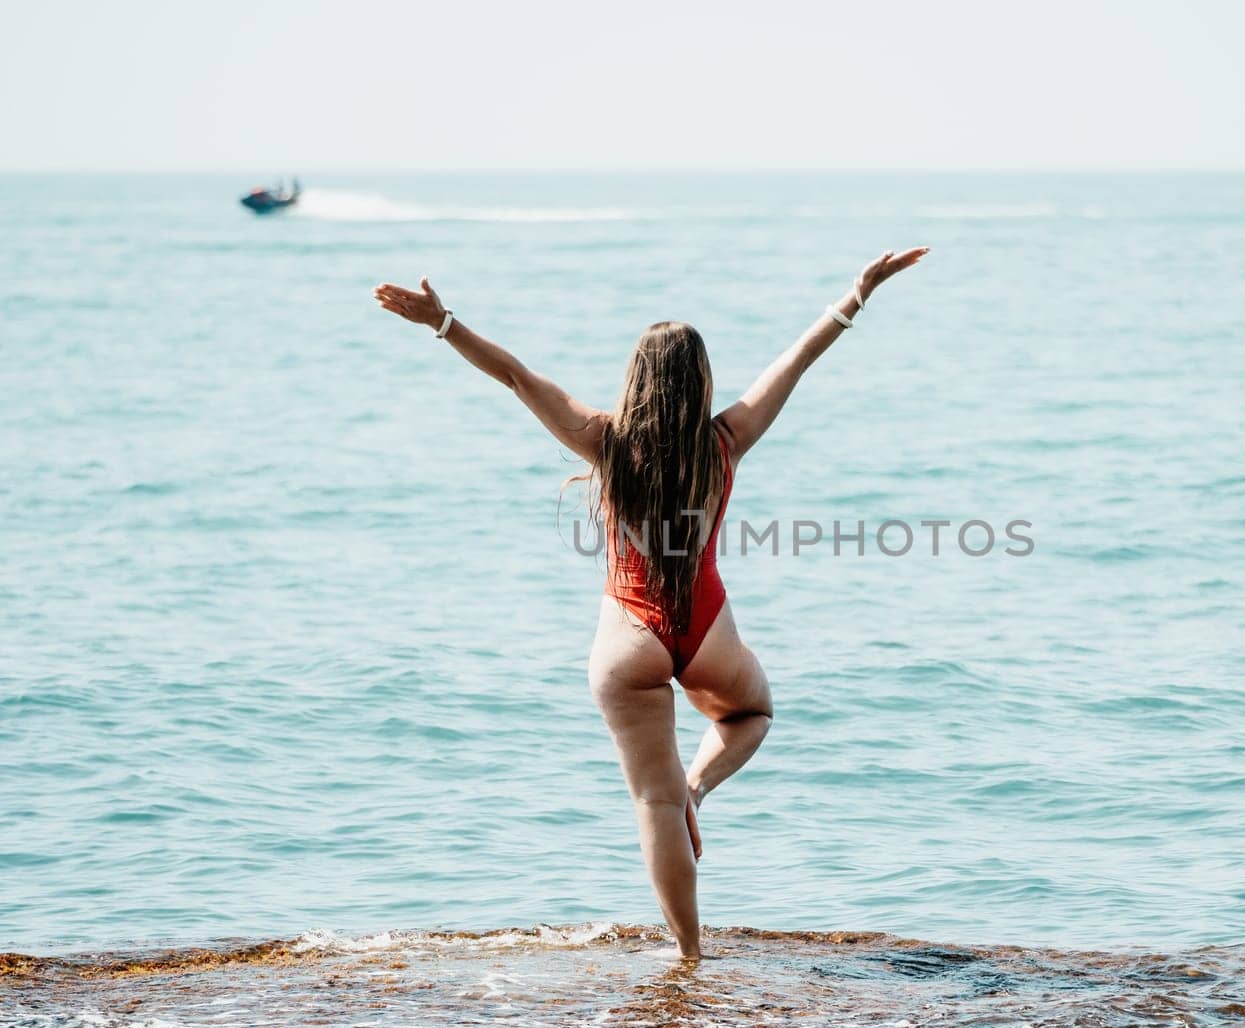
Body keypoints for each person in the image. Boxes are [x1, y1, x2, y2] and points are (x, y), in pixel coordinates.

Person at [372, 247, 930, 959]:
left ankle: (689, 955)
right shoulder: (725, 441)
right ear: (700, 382)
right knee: (753, 712)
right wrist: (856, 295)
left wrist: (443, 322)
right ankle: (698, 784)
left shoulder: (604, 440)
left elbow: (515, 376)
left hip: (626, 637)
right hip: (704, 629)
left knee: (651, 801)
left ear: (637, 379)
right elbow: (793, 364)